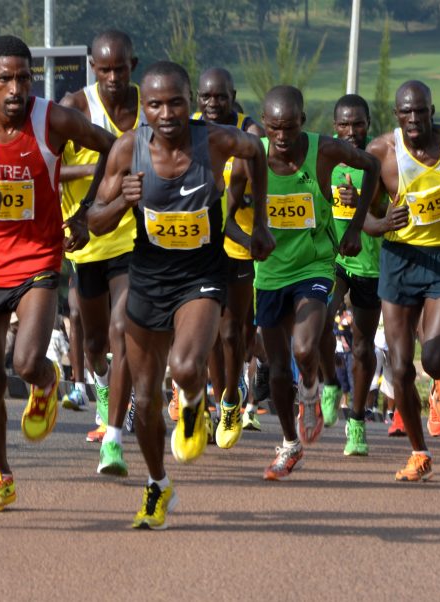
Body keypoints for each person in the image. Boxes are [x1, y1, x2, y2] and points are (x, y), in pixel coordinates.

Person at [88, 60, 271, 529]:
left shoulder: (215, 140)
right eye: (155, 104)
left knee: (187, 365)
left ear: (190, 102)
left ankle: (192, 403)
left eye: (175, 103)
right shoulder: (128, 149)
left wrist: (261, 221)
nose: (166, 113)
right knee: (146, 399)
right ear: (143, 108)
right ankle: (157, 486)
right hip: (149, 277)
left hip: (201, 275)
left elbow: (256, 151)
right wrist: (122, 201)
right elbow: (94, 222)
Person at [0, 35, 116, 512]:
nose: (16, 89)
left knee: (27, 361)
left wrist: (87, 212)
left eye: (24, 78)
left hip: (38, 256)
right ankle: (1, 476)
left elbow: (112, 148)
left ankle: (47, 382)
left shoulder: (51, 119)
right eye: (5, 79)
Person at [231, 85, 381, 480]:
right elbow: (225, 218)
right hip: (270, 272)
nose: (282, 136)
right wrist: (249, 241)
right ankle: (289, 444)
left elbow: (371, 165)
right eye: (274, 128)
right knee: (278, 368)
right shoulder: (250, 157)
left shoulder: (324, 150)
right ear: (264, 123)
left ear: (303, 120)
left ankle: (311, 390)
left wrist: (355, 227)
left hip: (315, 266)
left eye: (290, 127)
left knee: (303, 346)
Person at [363, 80, 440, 481]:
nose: (414, 118)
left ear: (432, 111)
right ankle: (419, 453)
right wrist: (382, 223)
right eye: (406, 112)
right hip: (399, 260)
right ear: (397, 115)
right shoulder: (381, 152)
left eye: (421, 111)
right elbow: (365, 217)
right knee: (400, 368)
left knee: (433, 358)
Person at [59, 30, 140, 474]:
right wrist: (97, 168)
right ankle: (104, 385)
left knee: (120, 328)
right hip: (87, 238)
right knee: (94, 343)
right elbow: (51, 167)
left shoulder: (149, 104)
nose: (112, 77)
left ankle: (113, 438)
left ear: (133, 65)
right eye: (104, 69)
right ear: (92, 67)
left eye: (120, 69)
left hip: (134, 234)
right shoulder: (75, 107)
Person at [193, 67, 265, 442]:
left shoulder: (249, 132)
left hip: (238, 243)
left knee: (234, 332)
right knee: (207, 330)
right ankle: (212, 405)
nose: (213, 103)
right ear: (197, 97)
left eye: (220, 96)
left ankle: (231, 399)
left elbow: (261, 177)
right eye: (206, 96)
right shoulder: (189, 128)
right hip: (200, 243)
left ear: (233, 96)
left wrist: (259, 223)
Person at [315, 93, 385, 457]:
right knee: (319, 320)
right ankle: (329, 381)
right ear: (335, 126)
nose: (351, 131)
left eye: (358, 123)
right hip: (332, 259)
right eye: (344, 124)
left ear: (368, 124)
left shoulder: (378, 159)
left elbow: (388, 213)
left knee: (362, 346)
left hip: (369, 265)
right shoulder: (325, 157)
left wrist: (363, 202)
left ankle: (356, 421)